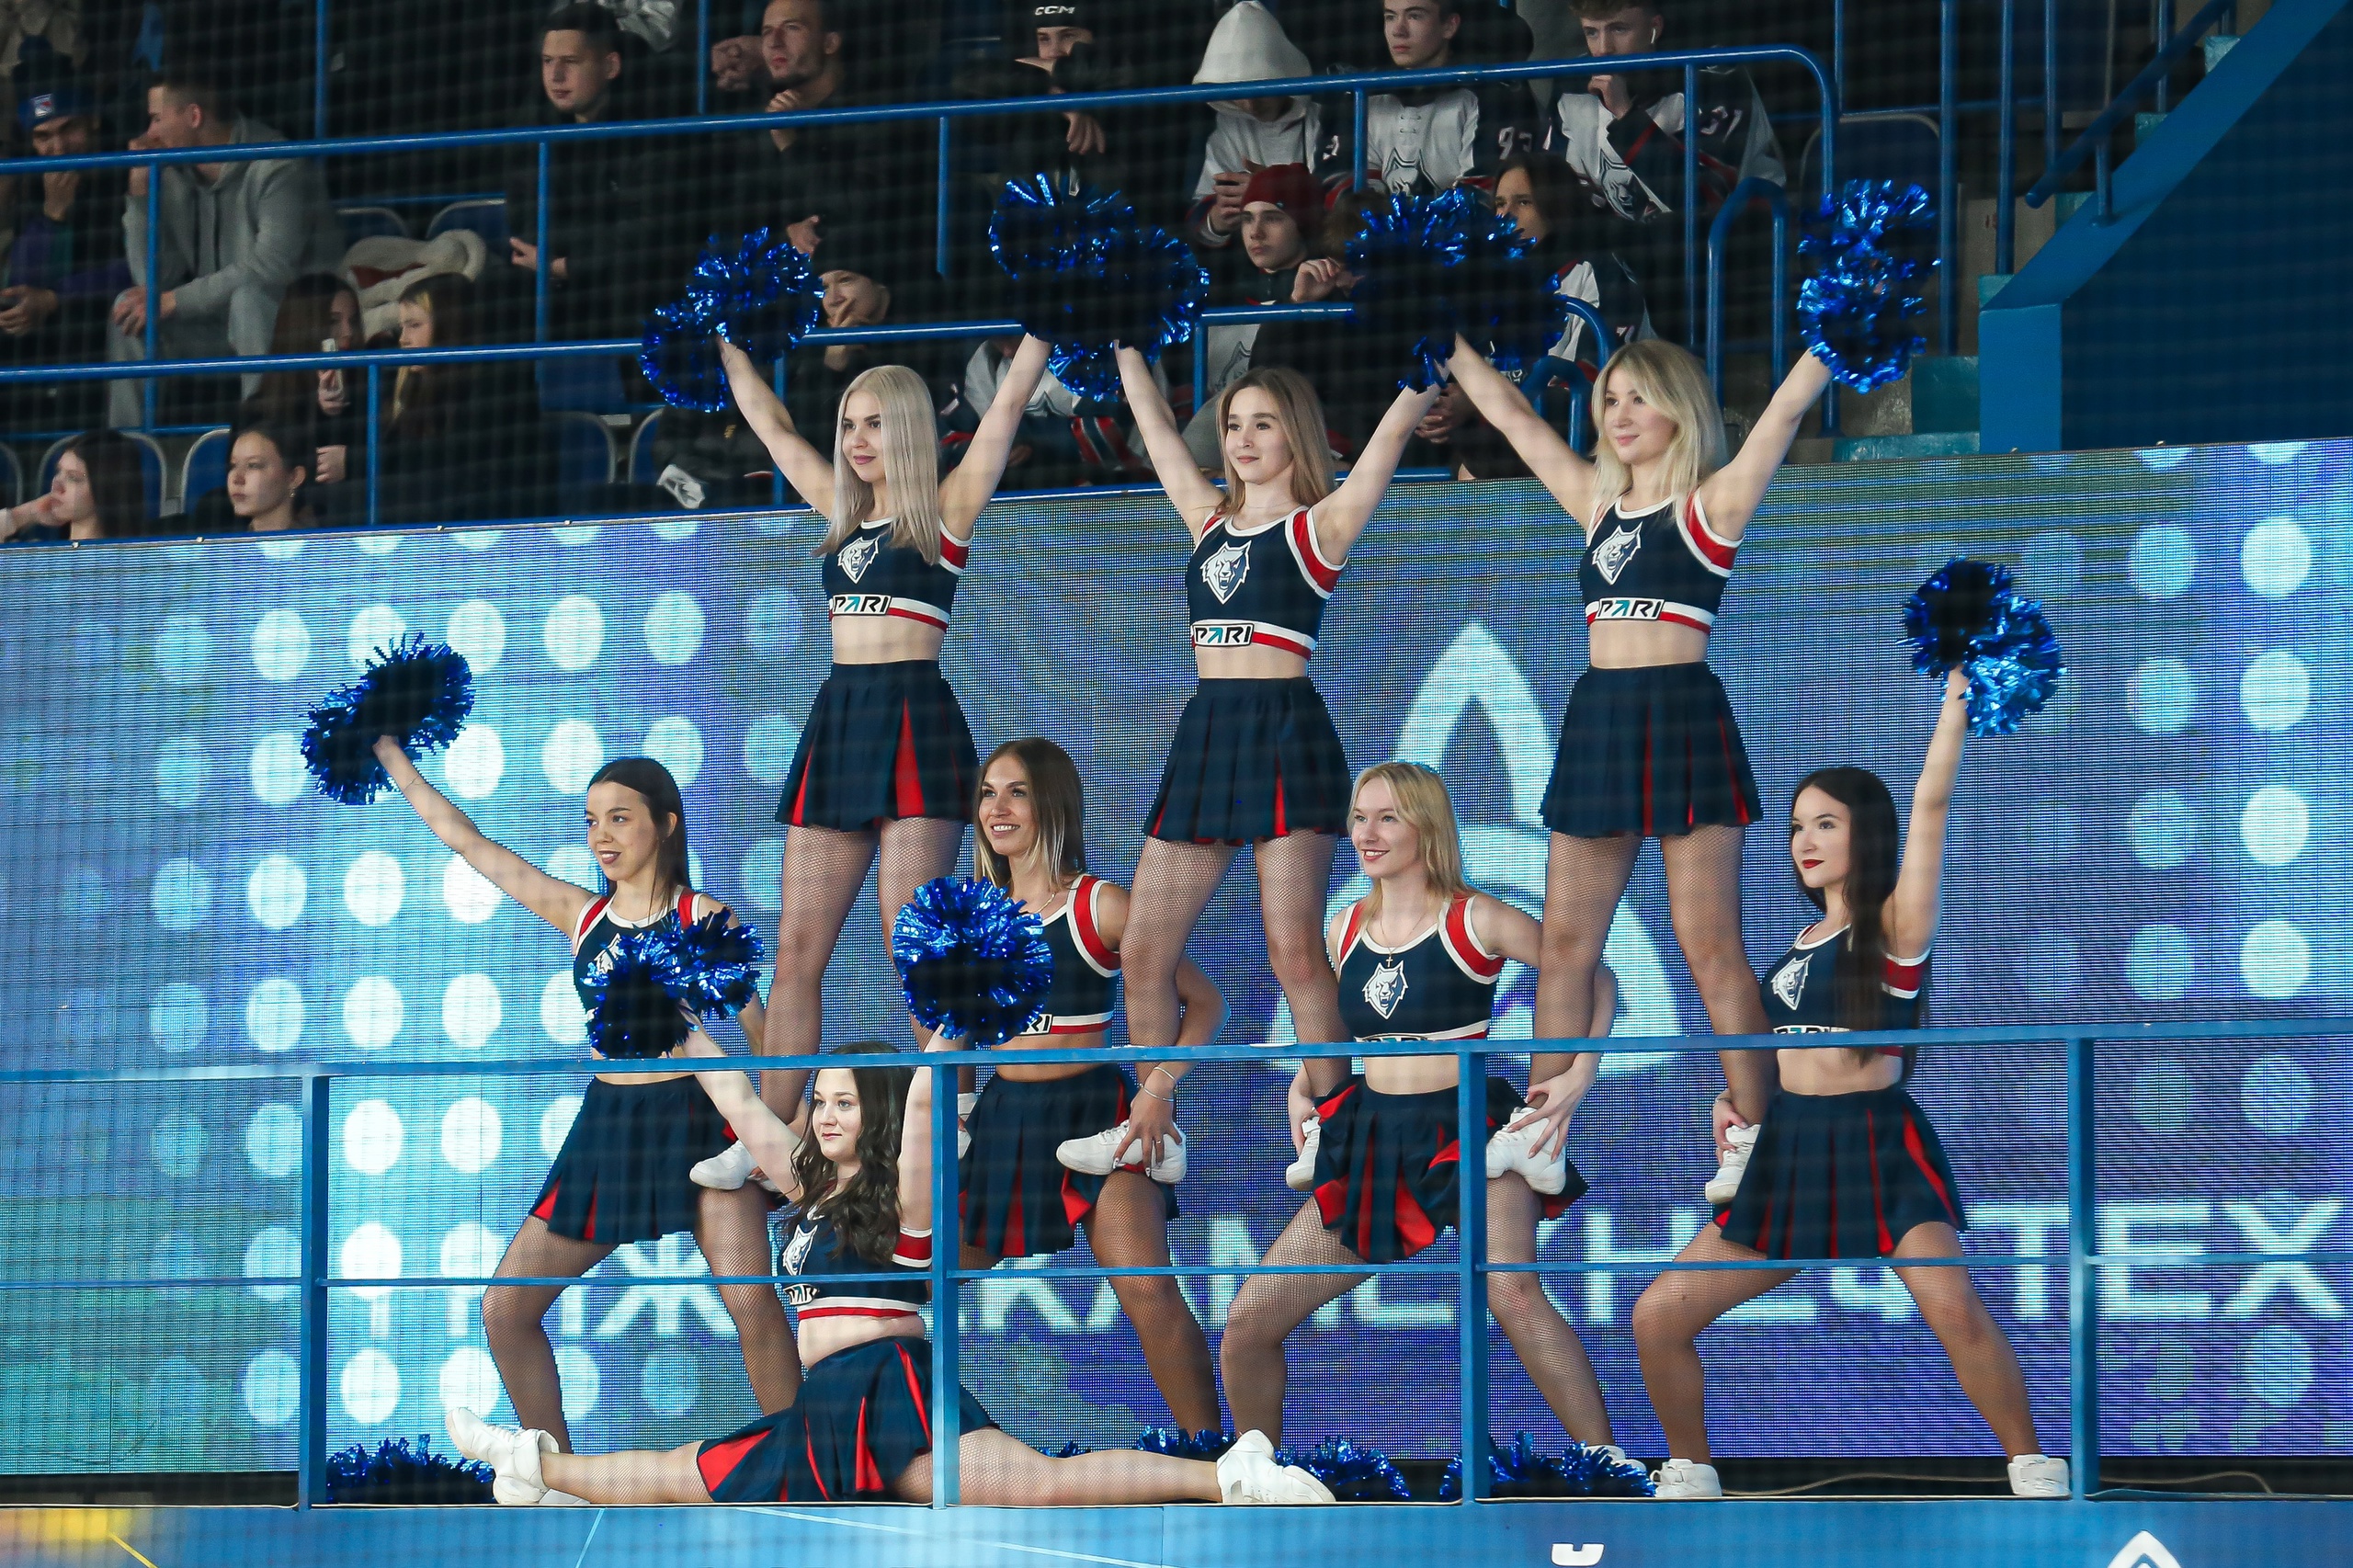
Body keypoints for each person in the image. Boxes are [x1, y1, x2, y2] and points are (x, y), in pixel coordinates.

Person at [449, 1044, 1333, 1506]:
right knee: (684, 1473)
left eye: (844, 1101)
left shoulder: (907, 1201)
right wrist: (680, 1019)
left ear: (874, 1115)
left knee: (1039, 1487)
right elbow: (740, 1102)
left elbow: (919, 1113)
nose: (826, 1113)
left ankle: (1231, 1474)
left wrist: (945, 1030)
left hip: (889, 1387)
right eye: (821, 1100)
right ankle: (531, 1462)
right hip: (837, 1408)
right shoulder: (808, 1191)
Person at [1629, 670, 2072, 1501]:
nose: (1805, 840)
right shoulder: (1796, 942)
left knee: (1955, 1311)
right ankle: (1690, 1470)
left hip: (1876, 1145)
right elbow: (1766, 1056)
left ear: (1866, 835)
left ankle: (2033, 1466)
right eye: (1797, 826)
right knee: (1658, 1316)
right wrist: (1731, 1099)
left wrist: (1954, 707)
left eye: (1826, 823)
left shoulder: (1894, 927)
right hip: (1791, 1152)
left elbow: (1932, 808)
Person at [1442, 331, 1830, 1204]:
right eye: (1609, 399)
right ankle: (1541, 1133)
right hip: (1602, 724)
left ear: (1680, 410)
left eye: (1638, 398)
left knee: (1710, 946)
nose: (1618, 415)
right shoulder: (1595, 502)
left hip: (1682, 718)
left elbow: (1783, 413)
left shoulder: (1711, 505)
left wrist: (1834, 332)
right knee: (1566, 947)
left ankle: (1756, 1134)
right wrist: (1445, 338)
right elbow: (1511, 415)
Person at [366, 745, 797, 1449]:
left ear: (665, 824)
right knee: (505, 1310)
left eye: (619, 818)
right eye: (591, 820)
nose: (601, 835)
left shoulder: (701, 916)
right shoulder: (581, 915)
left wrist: (776, 1138)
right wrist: (393, 757)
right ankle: (557, 1478)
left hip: (699, 1123)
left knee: (752, 1302)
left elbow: (767, 1034)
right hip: (609, 1128)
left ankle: (806, 1473)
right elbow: (470, 844)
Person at [699, 331, 1051, 1138]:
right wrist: (726, 345)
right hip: (841, 724)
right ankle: (771, 1133)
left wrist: (1046, 321)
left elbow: (1005, 407)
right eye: (849, 425)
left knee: (915, 943)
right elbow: (772, 427)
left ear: (912, 430)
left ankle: (952, 1115)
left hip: (915, 721)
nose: (857, 441)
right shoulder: (840, 510)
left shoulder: (947, 511)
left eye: (875, 425)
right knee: (797, 948)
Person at [1103, 347, 1438, 1162]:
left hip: (1286, 734)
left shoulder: (1319, 527)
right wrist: (1124, 344)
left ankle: (1337, 1127)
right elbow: (1155, 431)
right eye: (1233, 425)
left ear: (1297, 435)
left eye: (1263, 424)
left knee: (1293, 948)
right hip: (1208, 738)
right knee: (1144, 949)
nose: (1244, 439)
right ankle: (1154, 1129)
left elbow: (1391, 440)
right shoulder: (1207, 520)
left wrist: (1426, 362)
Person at [1222, 763, 1619, 1446]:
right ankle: (1256, 1477)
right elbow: (1335, 1032)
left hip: (1468, 1127)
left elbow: (1593, 974)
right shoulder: (1344, 927)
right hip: (1373, 1137)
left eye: (1387, 818)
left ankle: (1608, 1467)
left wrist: (1582, 1070)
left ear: (1426, 825)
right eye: (1359, 818)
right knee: (1248, 1323)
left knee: (1513, 1292)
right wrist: (1302, 1082)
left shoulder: (1476, 917)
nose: (1366, 834)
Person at [955, 738, 1225, 1430]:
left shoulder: (1101, 904)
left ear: (1052, 803)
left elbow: (1205, 1004)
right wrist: (953, 1110)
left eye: (1016, 792)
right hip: (1004, 1118)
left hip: (1098, 1114)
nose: (997, 808)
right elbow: (949, 1024)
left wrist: (1157, 1088)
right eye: (987, 794)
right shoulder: (970, 914)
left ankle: (1212, 1456)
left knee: (1145, 1286)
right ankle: (931, 1446)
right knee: (923, 1278)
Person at [107, 71, 343, 426]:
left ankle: (262, 435)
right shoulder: (171, 171)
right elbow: (154, 280)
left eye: (156, 118)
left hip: (298, 322)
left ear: (194, 116)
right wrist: (140, 193)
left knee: (250, 299)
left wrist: (174, 301)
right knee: (129, 309)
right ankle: (127, 449)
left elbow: (271, 267)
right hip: (216, 324)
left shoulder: (277, 162)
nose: (149, 133)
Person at [495, 7, 676, 343]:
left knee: (638, 290)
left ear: (611, 66)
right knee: (496, 294)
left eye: (571, 62)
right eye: (548, 61)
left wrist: (566, 265)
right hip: (557, 278)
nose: (555, 76)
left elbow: (642, 235)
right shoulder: (530, 126)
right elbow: (525, 219)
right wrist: (560, 262)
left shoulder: (653, 128)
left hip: (627, 284)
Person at [1540, 0, 1785, 226]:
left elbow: (1702, 204)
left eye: (1619, 29)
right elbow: (1557, 192)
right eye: (1591, 32)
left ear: (1655, 27)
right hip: (1621, 249)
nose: (1604, 49)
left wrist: (1625, 115)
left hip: (1735, 239)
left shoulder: (1713, 77)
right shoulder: (1572, 84)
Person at [0, 74, 128, 431]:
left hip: (105, 318)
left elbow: (141, 269)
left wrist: (55, 298)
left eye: (68, 129)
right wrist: (52, 215)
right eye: (43, 136)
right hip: (46, 327)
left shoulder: (128, 167)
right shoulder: (32, 176)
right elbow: (21, 285)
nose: (58, 147)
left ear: (93, 121)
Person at [373, 274, 551, 526]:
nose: (403, 339)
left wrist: (354, 461)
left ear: (450, 326)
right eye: (402, 327)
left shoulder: (493, 389)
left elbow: (446, 468)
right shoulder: (415, 387)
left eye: (414, 325)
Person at [1182, 163, 1325, 469]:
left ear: (1304, 224)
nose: (1255, 232)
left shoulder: (1328, 303)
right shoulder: (1215, 293)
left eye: (1272, 218)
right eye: (1247, 219)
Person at [1183, 3, 1343, 252]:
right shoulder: (1225, 128)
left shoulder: (1327, 117)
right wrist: (1217, 219)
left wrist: (1266, 190)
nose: (1250, 105)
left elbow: (1341, 203)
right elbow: (1197, 214)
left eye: (1260, 90)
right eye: (1238, 92)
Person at [1492, 152, 1651, 370]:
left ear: (1557, 206)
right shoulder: (1491, 281)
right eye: (1500, 204)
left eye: (1524, 202)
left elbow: (1587, 382)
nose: (1506, 215)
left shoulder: (1601, 271)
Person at [1363, 0, 1532, 195]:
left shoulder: (1492, 92)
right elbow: (1354, 187)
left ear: (1449, 26)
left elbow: (1484, 197)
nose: (1398, 31)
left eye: (1414, 16)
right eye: (1390, 17)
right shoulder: (1367, 92)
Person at [250, 274, 365, 512]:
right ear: (304, 328)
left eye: (353, 321)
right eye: (333, 321)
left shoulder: (370, 394)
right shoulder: (259, 410)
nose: (348, 332)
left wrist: (352, 460)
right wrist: (317, 410)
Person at [0, 427, 151, 541]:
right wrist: (26, 514)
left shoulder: (131, 564)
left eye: (73, 478)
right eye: (59, 472)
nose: (56, 485)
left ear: (106, 489)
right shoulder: (38, 557)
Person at [185, 418, 313, 533]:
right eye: (233, 465)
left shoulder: (320, 545)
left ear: (294, 477)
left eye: (253, 465)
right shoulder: (221, 546)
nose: (237, 479)